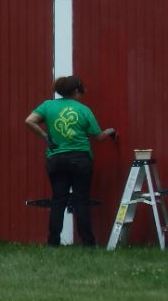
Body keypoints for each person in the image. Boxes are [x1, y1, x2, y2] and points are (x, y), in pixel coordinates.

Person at [25, 76, 117, 247]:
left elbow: (29, 121)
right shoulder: (84, 110)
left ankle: (53, 243)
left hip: (56, 159)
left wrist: (45, 136)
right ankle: (88, 243)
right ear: (76, 91)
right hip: (80, 159)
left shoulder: (48, 105)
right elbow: (98, 137)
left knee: (58, 200)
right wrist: (110, 131)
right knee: (81, 200)